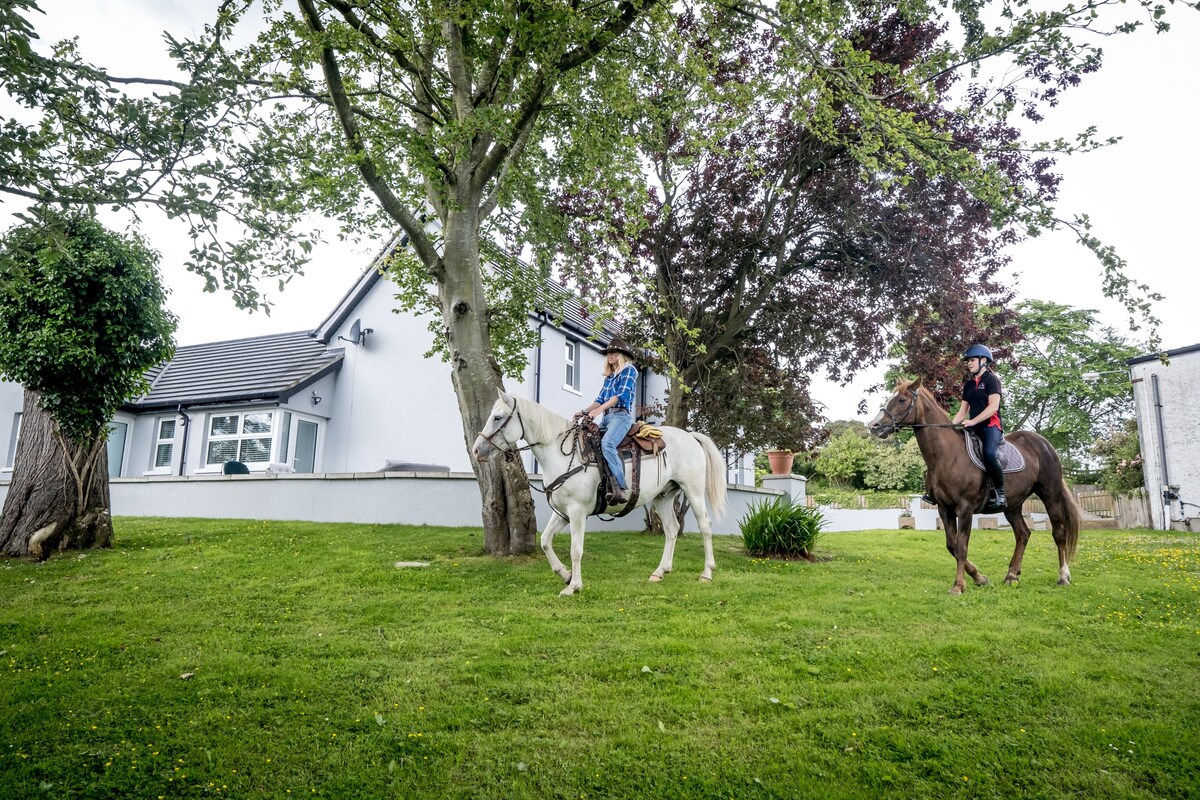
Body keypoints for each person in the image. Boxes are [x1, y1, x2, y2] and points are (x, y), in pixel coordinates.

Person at [579, 335, 639, 504]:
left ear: (622, 355)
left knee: (607, 444)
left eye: (613, 352)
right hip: (607, 417)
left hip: (621, 416)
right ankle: (604, 483)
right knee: (590, 442)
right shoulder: (609, 378)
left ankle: (621, 487)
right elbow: (600, 399)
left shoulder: (629, 371)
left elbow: (621, 396)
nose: (610, 355)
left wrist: (598, 411)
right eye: (608, 352)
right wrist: (584, 411)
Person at [952, 343, 1006, 510]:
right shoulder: (968, 385)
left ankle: (1001, 494)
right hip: (972, 427)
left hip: (991, 426)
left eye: (972, 360)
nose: (969, 363)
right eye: (968, 361)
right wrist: (948, 427)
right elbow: (962, 412)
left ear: (984, 361)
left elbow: (993, 408)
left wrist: (973, 421)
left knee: (989, 454)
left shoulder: (992, 380)